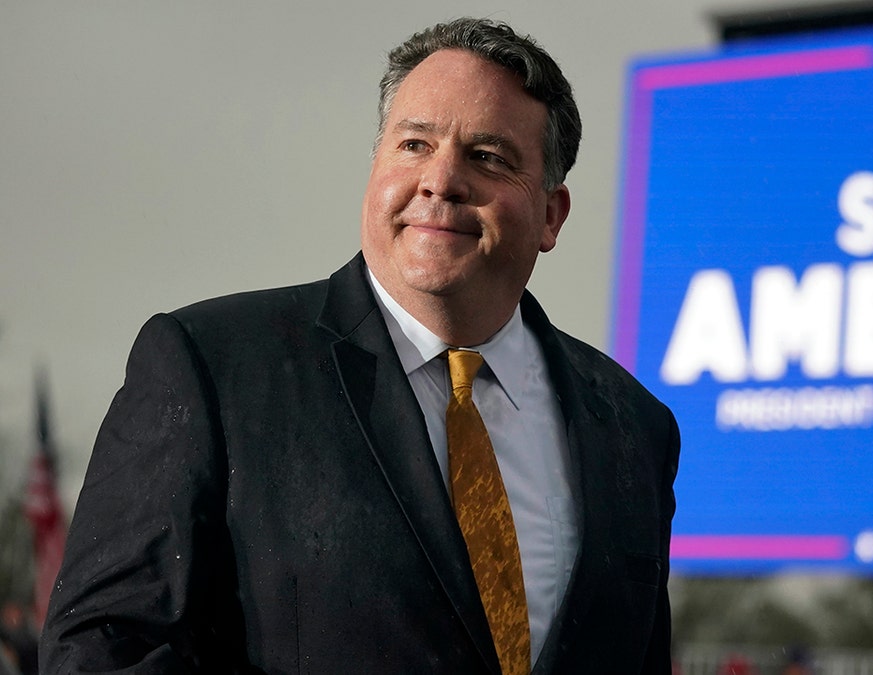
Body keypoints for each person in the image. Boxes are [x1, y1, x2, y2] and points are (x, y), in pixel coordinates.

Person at [40, 17, 679, 675]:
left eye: (487, 156)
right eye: (413, 144)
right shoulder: (213, 367)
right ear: (375, 167)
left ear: (551, 214)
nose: (441, 179)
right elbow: (99, 650)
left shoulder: (634, 428)